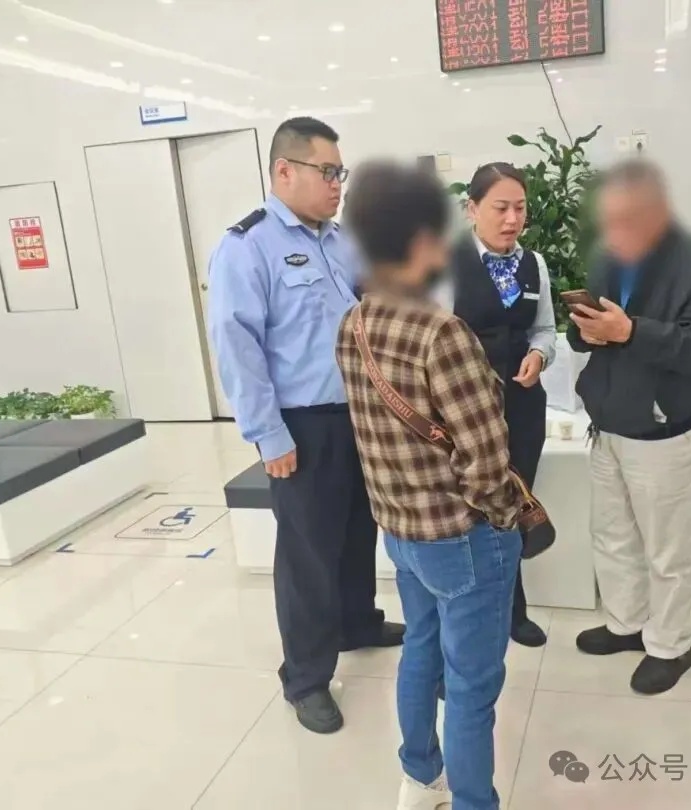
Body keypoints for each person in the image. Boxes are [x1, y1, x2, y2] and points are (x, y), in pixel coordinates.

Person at [335, 160, 524, 810]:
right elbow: (486, 459)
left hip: (401, 531)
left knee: (421, 647)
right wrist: (504, 518)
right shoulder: (442, 333)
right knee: (471, 687)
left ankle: (419, 778)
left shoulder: (354, 323)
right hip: (462, 538)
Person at [207, 117, 404, 736]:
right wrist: (268, 434)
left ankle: (357, 622)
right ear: (284, 171)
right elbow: (237, 347)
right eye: (328, 172)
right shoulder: (248, 247)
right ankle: (306, 677)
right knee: (308, 553)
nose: (338, 183)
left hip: (360, 416)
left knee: (357, 531)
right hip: (303, 423)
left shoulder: (341, 242)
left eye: (341, 172)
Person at [567, 160, 691, 695]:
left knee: (667, 549)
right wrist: (586, 332)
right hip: (608, 421)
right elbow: (588, 332)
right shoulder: (607, 255)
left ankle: (671, 645)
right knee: (612, 534)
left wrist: (630, 331)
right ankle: (626, 623)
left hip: (664, 430)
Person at [435, 162, 556, 648]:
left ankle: (513, 609)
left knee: (515, 504)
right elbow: (432, 341)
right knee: (469, 511)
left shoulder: (534, 264)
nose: (512, 219)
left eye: (520, 209)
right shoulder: (447, 264)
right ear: (472, 209)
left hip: (523, 408)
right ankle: (469, 611)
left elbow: (544, 329)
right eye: (501, 208)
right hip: (465, 414)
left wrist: (539, 355)